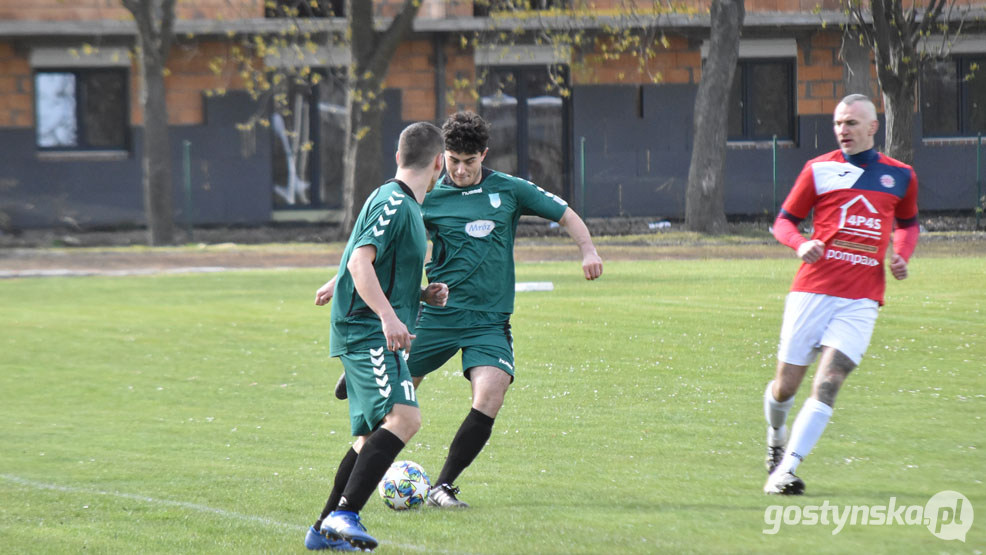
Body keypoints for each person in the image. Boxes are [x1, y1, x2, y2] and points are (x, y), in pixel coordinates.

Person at [335, 110, 603, 507]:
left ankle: (442, 486)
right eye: (454, 161)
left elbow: (564, 213)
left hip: (488, 322)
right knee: (387, 415)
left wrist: (588, 250)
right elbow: (378, 246)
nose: (460, 170)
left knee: (492, 393)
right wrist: (334, 280)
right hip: (435, 319)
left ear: (484, 155)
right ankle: (343, 496)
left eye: (470, 161)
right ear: (442, 157)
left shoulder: (508, 190)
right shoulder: (425, 196)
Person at [762, 94, 919, 495]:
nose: (842, 130)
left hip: (862, 299)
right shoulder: (818, 170)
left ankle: (787, 471)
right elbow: (784, 222)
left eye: (850, 123)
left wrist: (900, 255)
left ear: (872, 127)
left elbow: (908, 224)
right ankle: (776, 436)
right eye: (837, 124)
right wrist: (800, 244)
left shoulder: (900, 176)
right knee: (785, 388)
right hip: (812, 293)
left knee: (830, 381)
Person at [304, 121, 448, 551]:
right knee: (405, 419)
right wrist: (387, 317)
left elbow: (369, 261)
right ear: (439, 162)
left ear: (399, 155)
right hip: (367, 330)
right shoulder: (393, 202)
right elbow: (359, 264)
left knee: (369, 438)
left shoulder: (401, 203)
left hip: (373, 328)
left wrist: (421, 294)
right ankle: (346, 515)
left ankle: (322, 529)